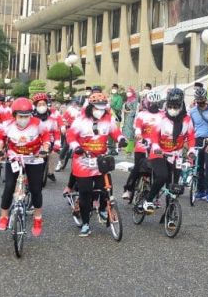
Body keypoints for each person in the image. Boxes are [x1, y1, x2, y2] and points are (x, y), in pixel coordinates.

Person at [65, 91, 125, 236]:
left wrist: (121, 139)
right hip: (83, 160)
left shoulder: (108, 119)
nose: (100, 111)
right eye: (97, 108)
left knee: (106, 188)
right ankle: (85, 223)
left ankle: (103, 209)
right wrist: (76, 147)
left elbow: (115, 132)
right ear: (90, 107)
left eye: (103, 108)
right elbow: (70, 135)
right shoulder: (81, 119)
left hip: (100, 159)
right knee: (85, 192)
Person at [0, 98, 49, 237]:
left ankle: (37, 219)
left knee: (36, 189)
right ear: (14, 115)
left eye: (27, 116)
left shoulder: (38, 123)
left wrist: (45, 148)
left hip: (34, 158)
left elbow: (46, 136)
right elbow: (0, 137)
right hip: (14, 157)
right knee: (9, 186)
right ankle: (3, 217)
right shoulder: (7, 124)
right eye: (21, 116)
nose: (24, 119)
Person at [142, 88, 195, 214]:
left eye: (175, 106)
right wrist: (156, 146)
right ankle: (148, 200)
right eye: (170, 106)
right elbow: (154, 134)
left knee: (174, 186)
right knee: (162, 176)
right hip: (159, 153)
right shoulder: (162, 118)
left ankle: (169, 213)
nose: (172, 109)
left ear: (181, 105)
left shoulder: (187, 120)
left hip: (176, 155)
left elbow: (191, 136)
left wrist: (191, 150)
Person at [124, 89, 164, 201]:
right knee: (137, 168)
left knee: (156, 171)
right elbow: (137, 127)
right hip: (142, 145)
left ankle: (154, 196)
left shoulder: (163, 115)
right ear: (147, 103)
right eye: (151, 103)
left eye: (156, 103)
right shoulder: (142, 114)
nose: (153, 105)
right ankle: (128, 189)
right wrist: (138, 134)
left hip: (157, 147)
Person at [188, 87, 208, 203]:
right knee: (198, 166)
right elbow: (190, 127)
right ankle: (200, 190)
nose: (200, 102)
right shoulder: (192, 111)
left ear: (206, 99)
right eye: (198, 100)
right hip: (197, 139)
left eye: (202, 100)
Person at [32, 92, 62, 182]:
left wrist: (57, 144)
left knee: (55, 154)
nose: (42, 106)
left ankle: (50, 172)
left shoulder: (52, 118)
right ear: (35, 106)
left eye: (43, 104)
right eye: (39, 104)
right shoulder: (30, 117)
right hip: (34, 141)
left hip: (49, 141)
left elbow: (57, 132)